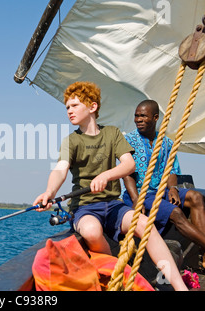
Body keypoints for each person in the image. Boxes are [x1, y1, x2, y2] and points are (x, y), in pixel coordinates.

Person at [33, 82, 188, 291]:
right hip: (84, 207)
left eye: (75, 105)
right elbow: (61, 169)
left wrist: (106, 175)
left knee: (145, 225)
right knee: (91, 231)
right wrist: (49, 192)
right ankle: (115, 270)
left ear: (92, 107)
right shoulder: (71, 141)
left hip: (113, 205)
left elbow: (129, 164)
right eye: (67, 107)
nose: (69, 111)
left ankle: (180, 287)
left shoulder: (113, 134)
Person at [122, 99, 205, 269]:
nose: (138, 119)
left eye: (143, 116)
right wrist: (136, 199)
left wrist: (173, 189)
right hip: (141, 194)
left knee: (196, 197)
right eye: (136, 116)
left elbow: (171, 169)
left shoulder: (167, 143)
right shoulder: (128, 141)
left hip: (161, 191)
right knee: (176, 212)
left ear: (155, 118)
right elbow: (127, 174)